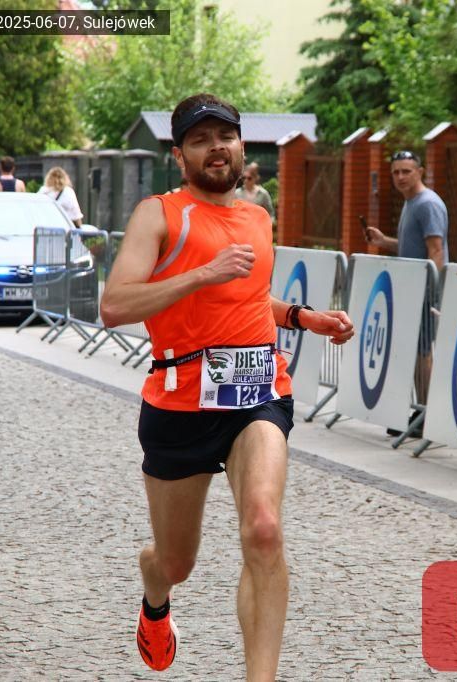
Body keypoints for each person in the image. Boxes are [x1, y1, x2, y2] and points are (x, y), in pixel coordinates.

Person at [98, 93, 354, 677]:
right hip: (180, 401)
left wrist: (302, 317)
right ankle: (154, 592)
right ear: (180, 155)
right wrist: (203, 273)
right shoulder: (159, 214)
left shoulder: (257, 217)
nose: (216, 147)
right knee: (176, 562)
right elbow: (115, 305)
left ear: (241, 145)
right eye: (200, 139)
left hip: (257, 392)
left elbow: (248, 300)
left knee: (263, 529)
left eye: (226, 136)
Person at [364, 151, 448, 435]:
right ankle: (421, 410)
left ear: (420, 172)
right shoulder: (411, 202)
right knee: (415, 352)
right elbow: (412, 247)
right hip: (412, 289)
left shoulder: (427, 204)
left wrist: (430, 290)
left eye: (406, 171)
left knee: (423, 353)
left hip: (424, 291)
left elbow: (436, 251)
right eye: (396, 172)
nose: (400, 177)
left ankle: (428, 416)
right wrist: (384, 242)